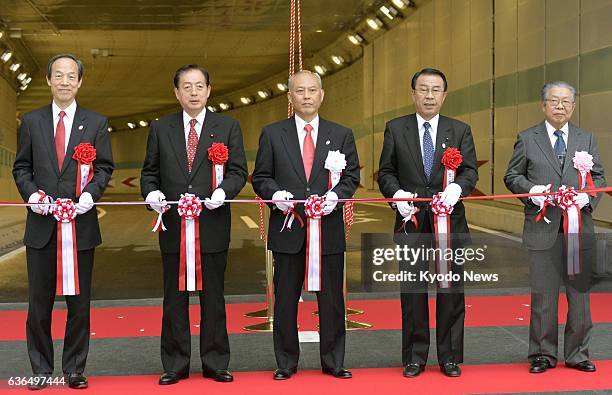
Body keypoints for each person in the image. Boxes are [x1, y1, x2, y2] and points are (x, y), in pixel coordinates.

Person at [140, 64, 247, 385]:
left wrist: (222, 191)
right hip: (174, 226)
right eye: (186, 87)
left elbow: (238, 172)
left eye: (199, 86)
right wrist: (152, 193)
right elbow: (149, 173)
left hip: (212, 225)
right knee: (174, 297)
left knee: (213, 296)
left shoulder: (228, 127)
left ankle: (216, 362)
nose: (193, 92)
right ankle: (175, 364)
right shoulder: (161, 128)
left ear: (209, 90)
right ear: (176, 92)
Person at [13, 53, 114, 390]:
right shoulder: (30, 121)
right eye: (59, 75)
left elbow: (104, 168)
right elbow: (22, 167)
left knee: (79, 304)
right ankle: (41, 370)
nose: (65, 81)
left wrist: (89, 196)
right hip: (41, 228)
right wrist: (32, 197)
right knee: (38, 305)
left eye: (72, 76)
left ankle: (74, 369)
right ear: (48, 80)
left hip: (81, 228)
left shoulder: (96, 123)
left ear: (80, 82)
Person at [251, 70, 360, 380]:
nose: (307, 96)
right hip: (288, 231)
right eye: (300, 91)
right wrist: (275, 196)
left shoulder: (341, 135)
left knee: (332, 301)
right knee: (285, 300)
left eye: (313, 90)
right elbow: (260, 177)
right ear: (290, 97)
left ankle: (334, 361)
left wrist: (335, 197)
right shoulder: (273, 134)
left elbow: (352, 176)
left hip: (328, 232)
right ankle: (286, 362)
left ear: (322, 95)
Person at [378, 68, 478, 378]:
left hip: (451, 223)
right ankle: (414, 356)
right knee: (412, 293)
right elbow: (385, 173)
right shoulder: (396, 129)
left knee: (450, 292)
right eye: (423, 89)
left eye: (436, 90)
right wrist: (397, 194)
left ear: (445, 95)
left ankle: (449, 356)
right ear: (413, 94)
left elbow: (470, 172)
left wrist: (456, 189)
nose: (429, 95)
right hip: (411, 223)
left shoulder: (459, 130)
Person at [504, 81, 606, 374]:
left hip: (579, 228)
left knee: (580, 298)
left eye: (566, 102)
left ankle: (578, 353)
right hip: (543, 228)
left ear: (573, 106)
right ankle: (542, 354)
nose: (560, 106)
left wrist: (587, 196)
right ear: (543, 104)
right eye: (554, 101)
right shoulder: (527, 138)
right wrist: (532, 190)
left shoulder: (586, 138)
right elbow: (512, 176)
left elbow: (598, 177)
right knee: (544, 296)